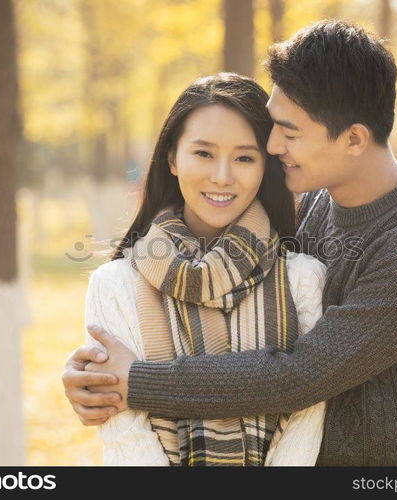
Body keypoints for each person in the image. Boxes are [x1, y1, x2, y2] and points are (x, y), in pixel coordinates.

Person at [64, 20, 397, 466]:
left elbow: (302, 374)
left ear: (354, 138)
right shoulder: (313, 203)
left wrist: (136, 382)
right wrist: (93, 374)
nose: (272, 143)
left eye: (290, 131)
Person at [78, 72, 327, 465]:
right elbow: (126, 438)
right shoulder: (115, 286)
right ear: (173, 159)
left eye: (245, 157)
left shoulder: (302, 280)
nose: (222, 177)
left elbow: (307, 417)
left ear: (266, 168)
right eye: (204, 153)